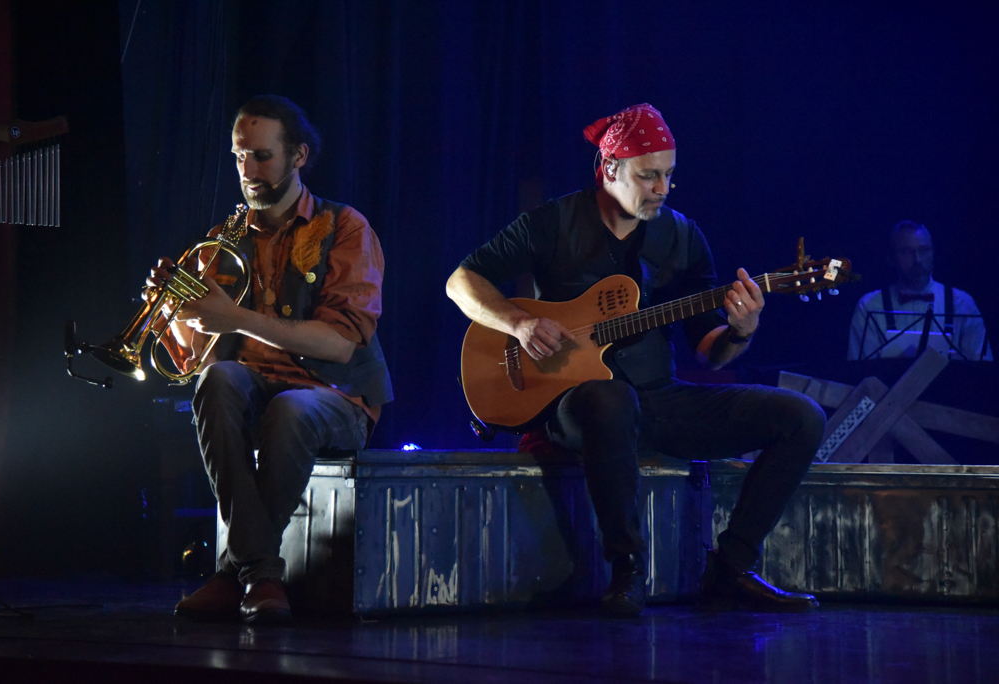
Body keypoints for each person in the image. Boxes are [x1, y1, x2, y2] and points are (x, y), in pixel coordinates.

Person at [446, 103, 825, 616]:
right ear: (609, 169)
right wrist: (519, 323)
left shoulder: (683, 238)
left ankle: (731, 566)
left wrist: (742, 330)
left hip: (658, 401)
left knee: (801, 416)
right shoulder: (553, 222)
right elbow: (461, 281)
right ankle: (626, 571)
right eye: (649, 176)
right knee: (611, 398)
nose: (662, 189)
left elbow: (709, 351)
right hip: (574, 405)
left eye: (669, 175)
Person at [149, 95, 393, 623]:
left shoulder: (346, 227)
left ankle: (232, 575)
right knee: (216, 381)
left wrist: (235, 318)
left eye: (262, 156)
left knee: (291, 409)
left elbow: (341, 344)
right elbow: (194, 362)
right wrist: (175, 313)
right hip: (256, 390)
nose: (248, 171)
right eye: (240, 157)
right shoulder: (222, 242)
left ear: (298, 156)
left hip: (336, 395)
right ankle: (259, 576)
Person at [847, 221, 991, 361]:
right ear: (891, 258)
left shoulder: (962, 303)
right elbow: (860, 370)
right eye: (906, 252)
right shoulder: (869, 305)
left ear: (933, 253)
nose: (918, 259)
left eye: (924, 250)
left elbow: (981, 366)